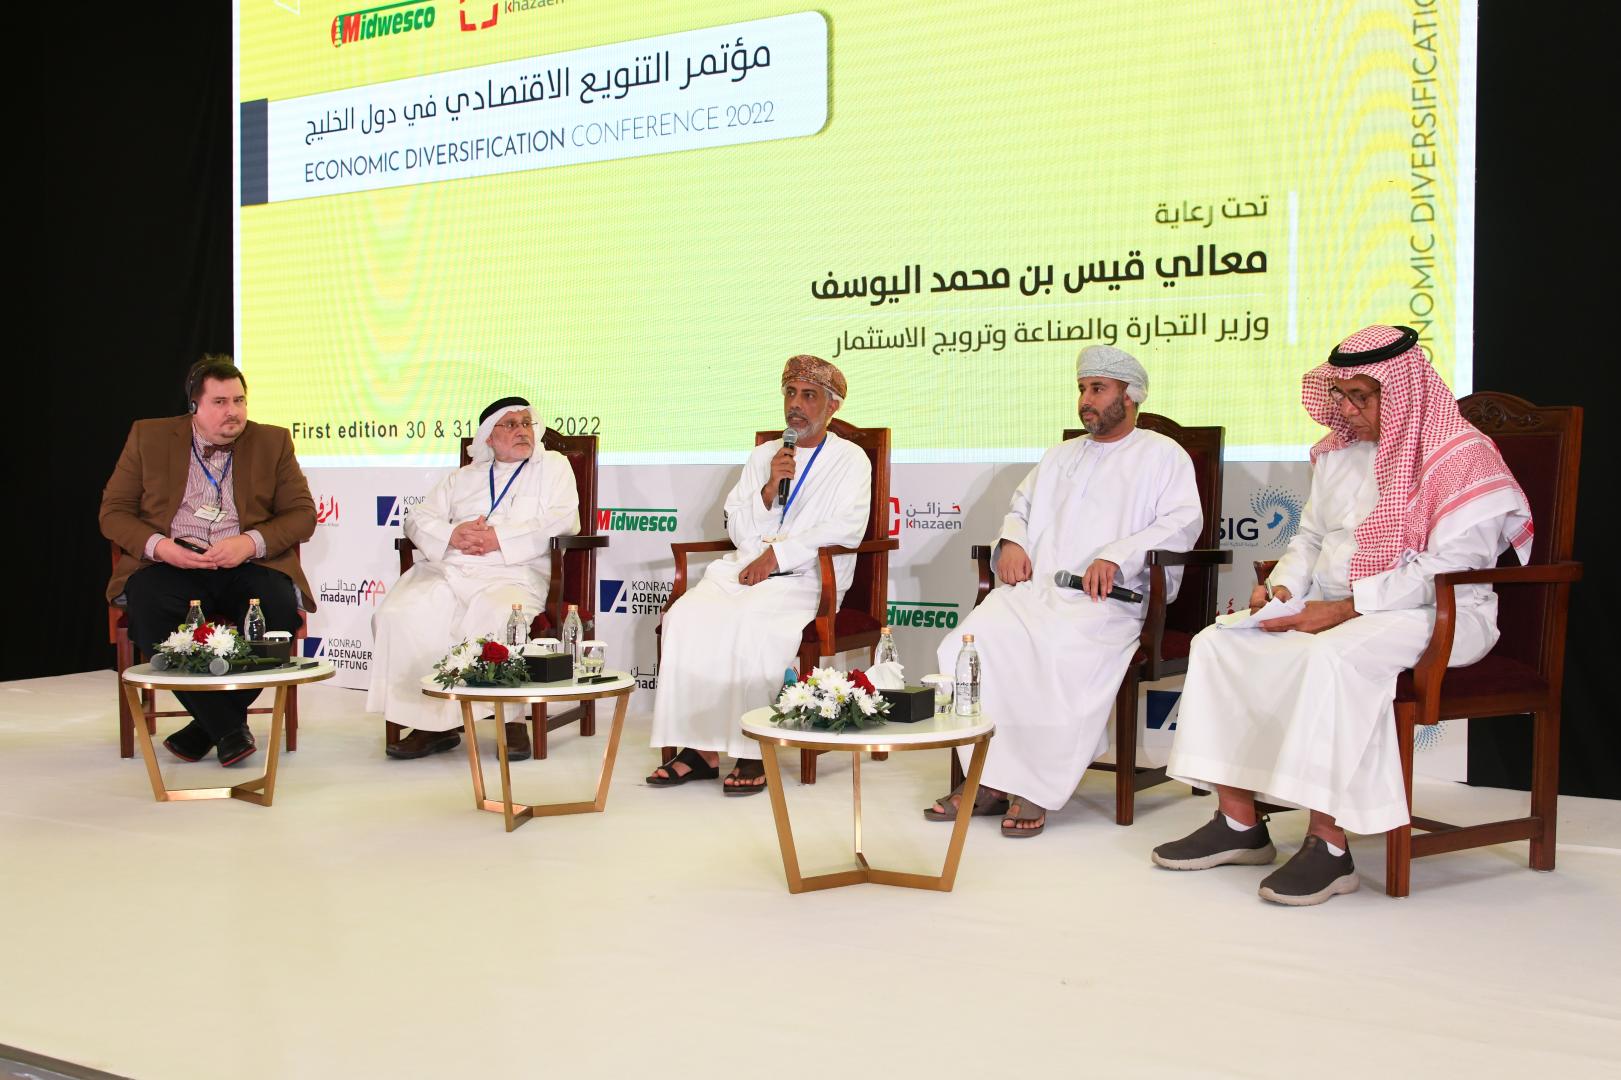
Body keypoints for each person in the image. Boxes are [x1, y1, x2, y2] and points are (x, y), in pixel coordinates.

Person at [1154, 325, 1533, 905]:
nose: (1348, 410)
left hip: (1438, 613)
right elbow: (1309, 537)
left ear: (1401, 391)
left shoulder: (1461, 456)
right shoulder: (1338, 454)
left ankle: (1329, 845)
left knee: (1332, 658)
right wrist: (1282, 589)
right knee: (1221, 642)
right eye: (1342, 395)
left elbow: (1452, 567)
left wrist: (1343, 609)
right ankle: (1238, 822)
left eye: (1362, 396)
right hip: (1336, 606)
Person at [929, 346, 1202, 836]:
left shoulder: (1164, 455)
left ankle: (1035, 786)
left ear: (1130, 395)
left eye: (1097, 389)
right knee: (964, 647)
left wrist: (1118, 555)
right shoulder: (1060, 456)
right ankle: (987, 779)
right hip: (1037, 594)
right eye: (1081, 389)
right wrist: (1012, 540)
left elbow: (1181, 524)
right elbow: (1020, 509)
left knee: (1056, 650)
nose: (1085, 400)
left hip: (1108, 602)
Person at [648, 356, 871, 794]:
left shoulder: (851, 460)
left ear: (832, 407)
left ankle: (753, 747)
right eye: (791, 393)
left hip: (807, 577)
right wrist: (769, 490)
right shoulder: (764, 455)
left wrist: (777, 557)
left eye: (809, 395)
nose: (796, 405)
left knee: (751, 624)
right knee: (685, 617)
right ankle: (700, 750)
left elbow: (846, 528)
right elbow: (737, 527)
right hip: (745, 569)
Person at [100, 355, 316, 766]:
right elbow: (113, 513)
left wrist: (250, 543)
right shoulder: (148, 437)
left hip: (246, 564)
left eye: (239, 400)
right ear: (194, 407)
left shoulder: (272, 442)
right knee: (150, 609)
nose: (233, 411)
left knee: (277, 611)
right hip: (172, 563)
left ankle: (210, 726)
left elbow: (302, 514)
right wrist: (161, 547)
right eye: (220, 402)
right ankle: (227, 727)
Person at [368, 397, 579, 761]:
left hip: (513, 573)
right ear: (488, 438)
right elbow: (417, 519)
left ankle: (511, 720)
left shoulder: (554, 467)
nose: (521, 430)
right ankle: (431, 722)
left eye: (526, 423)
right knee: (399, 615)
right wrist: (452, 534)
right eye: (510, 424)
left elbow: (563, 520)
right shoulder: (462, 478)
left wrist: (499, 538)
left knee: (497, 614)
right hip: (450, 570)